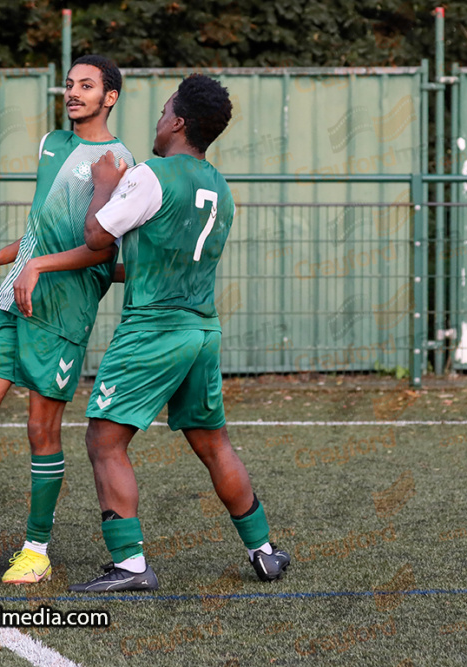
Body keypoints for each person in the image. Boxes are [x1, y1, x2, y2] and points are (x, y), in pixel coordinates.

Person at [0, 55, 134, 585]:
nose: (74, 92)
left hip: (62, 310)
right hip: (13, 297)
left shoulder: (120, 163)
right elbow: (42, 227)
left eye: (87, 86)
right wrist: (1, 257)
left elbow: (102, 253)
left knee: (42, 429)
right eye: (69, 84)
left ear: (111, 97)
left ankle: (36, 549)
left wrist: (36, 265)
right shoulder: (51, 145)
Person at [68, 74, 291, 592]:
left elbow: (97, 235)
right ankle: (264, 551)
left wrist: (105, 181)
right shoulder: (220, 187)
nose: (159, 117)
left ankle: (130, 565)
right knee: (214, 443)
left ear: (179, 121)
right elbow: (170, 261)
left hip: (153, 329)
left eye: (165, 109)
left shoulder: (151, 175)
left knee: (104, 439)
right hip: (201, 329)